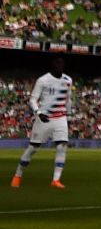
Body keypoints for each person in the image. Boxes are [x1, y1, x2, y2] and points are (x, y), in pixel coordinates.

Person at [11, 57, 73, 189]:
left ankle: (56, 180)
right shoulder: (43, 80)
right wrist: (38, 113)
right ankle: (18, 175)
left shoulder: (68, 80)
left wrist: (69, 115)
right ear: (52, 65)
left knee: (62, 146)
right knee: (33, 148)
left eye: (62, 63)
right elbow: (33, 99)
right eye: (57, 63)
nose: (60, 65)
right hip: (44, 117)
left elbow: (68, 99)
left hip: (60, 118)